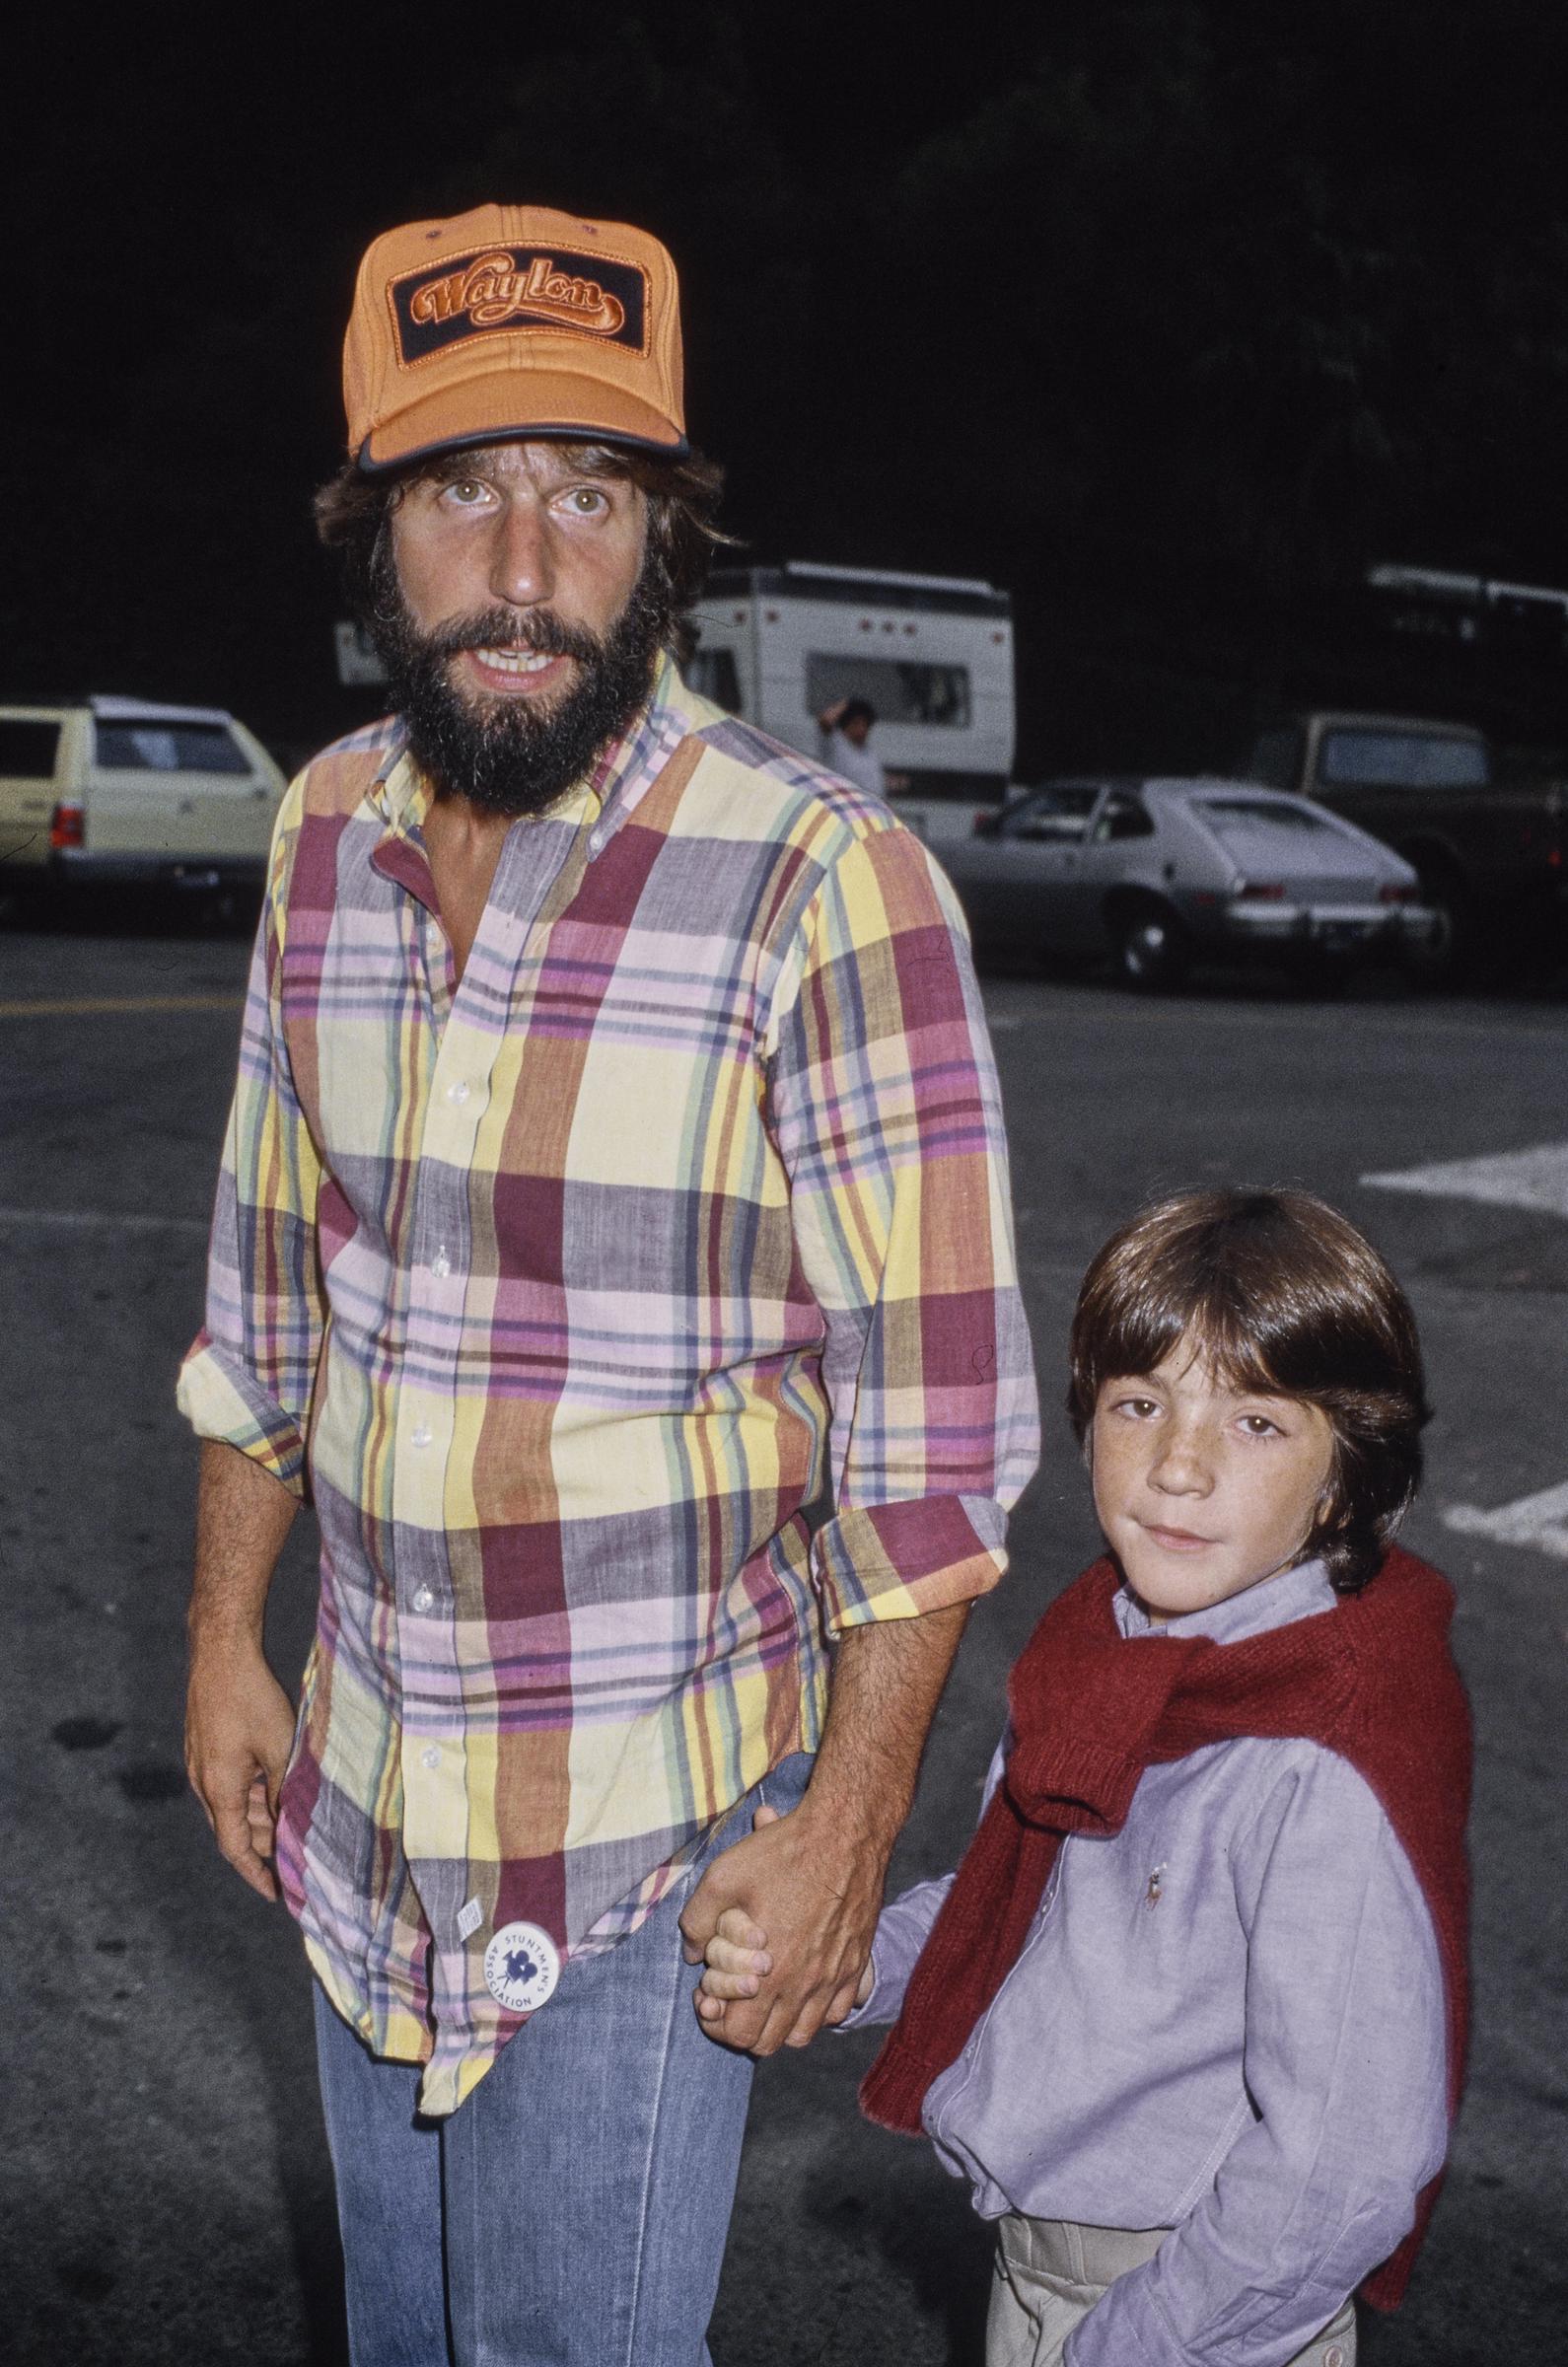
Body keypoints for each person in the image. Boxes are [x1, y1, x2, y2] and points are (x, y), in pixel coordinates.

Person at [178, 200, 1038, 2367]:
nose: (528, 570)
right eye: (462, 490)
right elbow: (267, 1295)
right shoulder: (325, 835)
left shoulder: (825, 885)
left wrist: (848, 1826)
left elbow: (931, 1451)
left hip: (650, 1854)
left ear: (670, 537)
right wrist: (224, 1642)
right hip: (360, 1814)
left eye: (593, 494)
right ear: (371, 531)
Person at [700, 1188, 1471, 2367]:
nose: (1177, 1466)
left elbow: (1345, 2165)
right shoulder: (1106, 1654)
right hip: (1041, 2280)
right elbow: (1015, 1918)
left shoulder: (1320, 1759)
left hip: (1198, 2313)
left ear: (1344, 1477)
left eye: (1257, 1423)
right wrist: (833, 1959)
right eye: (1140, 1403)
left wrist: (1137, 2343)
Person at [817, 692, 887, 798]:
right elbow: (826, 720)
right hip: (845, 806)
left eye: (865, 725)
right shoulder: (835, 744)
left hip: (870, 809)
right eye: (856, 723)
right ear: (846, 724)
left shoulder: (870, 753)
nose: (862, 729)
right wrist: (850, 703)